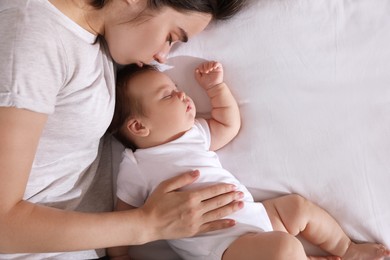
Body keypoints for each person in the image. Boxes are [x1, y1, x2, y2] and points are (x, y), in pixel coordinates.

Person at [0, 0, 247, 259]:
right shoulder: (32, 38)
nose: (163, 56)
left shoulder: (100, 38)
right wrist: (147, 224)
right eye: (170, 37)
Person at [107, 61, 390, 260]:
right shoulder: (137, 166)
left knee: (297, 208)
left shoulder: (194, 133)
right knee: (283, 248)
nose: (182, 94)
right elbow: (124, 216)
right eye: (168, 95)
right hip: (223, 247)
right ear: (139, 127)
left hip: (256, 216)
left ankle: (347, 248)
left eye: (177, 86)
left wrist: (215, 89)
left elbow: (226, 124)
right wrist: (119, 255)